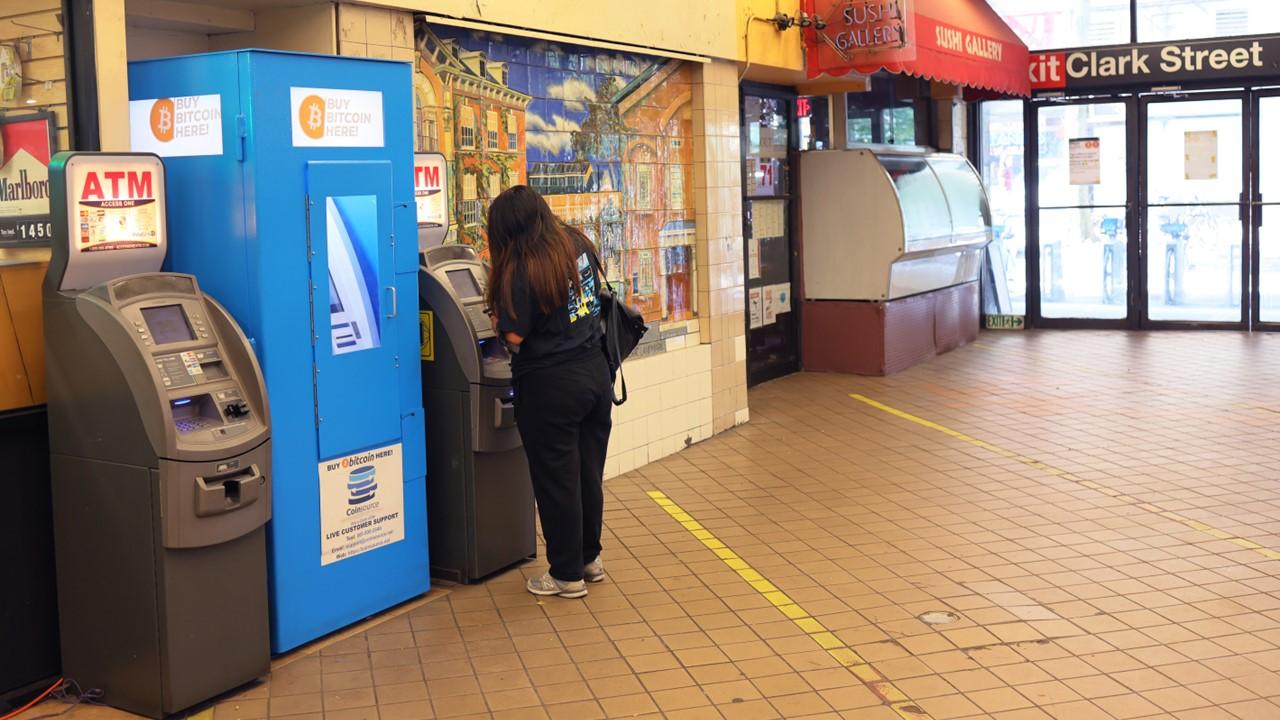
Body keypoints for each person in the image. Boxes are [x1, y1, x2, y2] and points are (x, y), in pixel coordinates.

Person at [485, 185, 613, 599]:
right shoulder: (576, 242)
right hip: (595, 373)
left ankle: (565, 574)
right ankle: (588, 559)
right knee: (588, 473)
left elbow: (515, 333)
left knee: (558, 480)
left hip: (551, 385)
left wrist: (496, 322)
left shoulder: (523, 265)